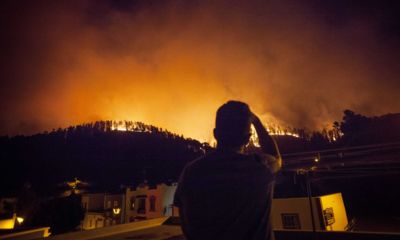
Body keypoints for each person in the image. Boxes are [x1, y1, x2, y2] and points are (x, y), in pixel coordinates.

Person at [174, 100, 282, 240]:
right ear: (248, 138)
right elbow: (276, 157)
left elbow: (185, 220)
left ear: (215, 134)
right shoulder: (261, 168)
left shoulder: (192, 171)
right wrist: (256, 121)